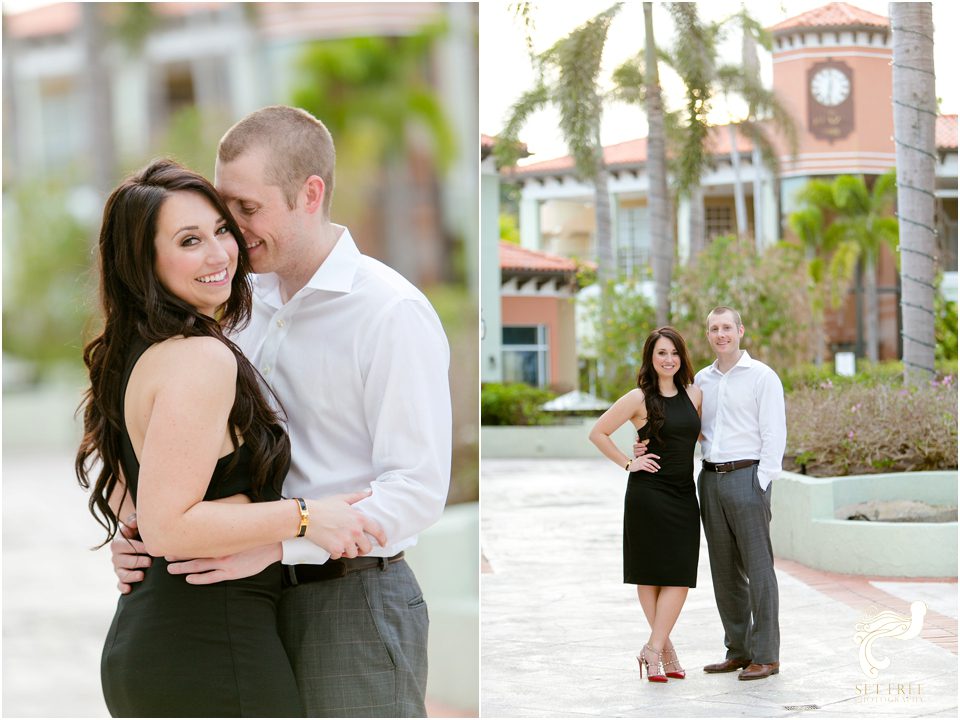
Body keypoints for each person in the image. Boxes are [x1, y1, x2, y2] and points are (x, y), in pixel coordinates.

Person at [111, 106, 452, 717]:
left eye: (246, 211)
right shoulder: (231, 308)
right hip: (240, 605)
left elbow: (417, 490)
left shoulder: (389, 311)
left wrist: (280, 544)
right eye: (221, 214)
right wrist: (134, 526)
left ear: (310, 194)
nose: (231, 235)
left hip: (351, 600)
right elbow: (155, 438)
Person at [76, 159, 387, 717]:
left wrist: (222, 512)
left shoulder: (134, 355)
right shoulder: (201, 358)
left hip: (161, 639)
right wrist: (305, 516)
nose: (220, 253)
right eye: (189, 240)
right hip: (209, 650)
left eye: (222, 229)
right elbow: (170, 525)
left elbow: (138, 505)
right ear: (143, 261)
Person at [589, 327, 702, 683]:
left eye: (674, 353)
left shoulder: (695, 394)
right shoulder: (638, 398)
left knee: (680, 574)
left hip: (684, 494)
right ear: (650, 359)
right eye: (661, 354)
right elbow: (598, 432)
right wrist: (628, 461)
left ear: (681, 357)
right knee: (652, 574)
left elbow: (695, 435)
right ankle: (660, 651)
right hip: (648, 494)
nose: (668, 359)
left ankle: (656, 647)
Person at [696, 306, 786, 680]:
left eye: (727, 327)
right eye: (715, 328)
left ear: (740, 331)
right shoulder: (701, 380)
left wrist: (761, 480)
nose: (722, 334)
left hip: (747, 477)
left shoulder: (762, 376)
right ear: (709, 335)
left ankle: (766, 655)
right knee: (724, 572)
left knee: (758, 570)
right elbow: (694, 427)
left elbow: (774, 433)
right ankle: (739, 650)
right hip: (710, 479)